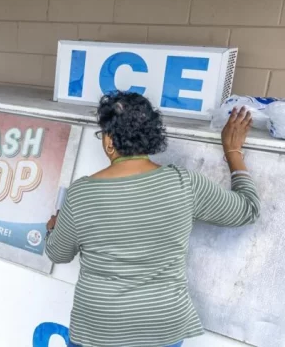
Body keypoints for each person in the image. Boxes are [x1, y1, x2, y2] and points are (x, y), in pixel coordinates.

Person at [45, 91, 261, 347]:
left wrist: (53, 229)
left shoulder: (82, 194)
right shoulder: (184, 184)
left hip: (99, 330)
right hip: (161, 330)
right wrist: (233, 152)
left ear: (109, 141)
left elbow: (58, 254)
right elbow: (248, 209)